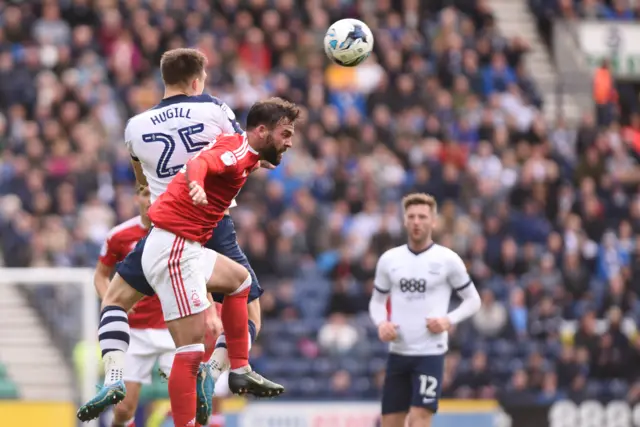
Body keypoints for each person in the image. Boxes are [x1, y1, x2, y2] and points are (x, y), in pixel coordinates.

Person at [77, 48, 272, 425]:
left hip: (163, 224)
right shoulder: (215, 110)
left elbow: (141, 183)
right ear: (198, 79)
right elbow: (240, 153)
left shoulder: (135, 126)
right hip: (210, 222)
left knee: (114, 303)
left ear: (163, 80)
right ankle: (213, 372)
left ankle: (114, 374)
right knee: (243, 309)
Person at [95, 186, 209, 427]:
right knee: (124, 409)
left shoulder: (180, 230)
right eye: (144, 193)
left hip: (174, 329)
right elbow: (100, 276)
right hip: (134, 333)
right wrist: (115, 305)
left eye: (154, 193)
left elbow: (200, 271)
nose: (150, 199)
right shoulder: (119, 235)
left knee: (193, 401)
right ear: (136, 197)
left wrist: (210, 311)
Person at [368, 193, 482, 427]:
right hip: (398, 352)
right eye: (412, 217)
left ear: (434, 221)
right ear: (405, 221)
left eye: (422, 216)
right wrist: (382, 323)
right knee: (390, 422)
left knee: (420, 418)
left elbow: (473, 300)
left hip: (430, 353)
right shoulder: (390, 259)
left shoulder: (447, 259)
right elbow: (377, 302)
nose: (417, 221)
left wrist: (448, 320)